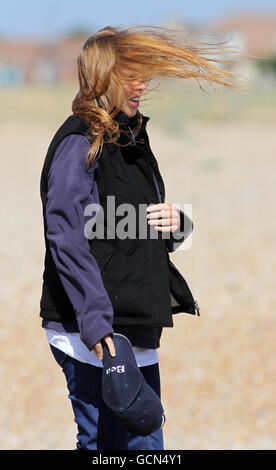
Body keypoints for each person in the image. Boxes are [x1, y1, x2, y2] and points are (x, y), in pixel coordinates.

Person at [39, 25, 240, 450]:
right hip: (93, 334)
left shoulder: (130, 137)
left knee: (138, 445)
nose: (142, 85)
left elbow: (126, 225)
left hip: (135, 329)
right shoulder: (79, 143)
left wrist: (178, 224)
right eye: (131, 75)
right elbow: (66, 239)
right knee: (121, 447)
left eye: (143, 75)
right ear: (104, 77)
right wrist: (96, 326)